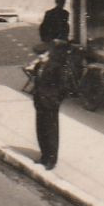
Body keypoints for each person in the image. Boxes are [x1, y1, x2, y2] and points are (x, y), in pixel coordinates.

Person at [30, 40, 68, 169]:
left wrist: (55, 101)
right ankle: (44, 156)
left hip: (50, 104)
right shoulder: (38, 66)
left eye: (42, 54)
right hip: (40, 103)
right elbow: (36, 82)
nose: (40, 57)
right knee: (41, 130)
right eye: (38, 55)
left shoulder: (56, 67)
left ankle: (51, 160)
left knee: (51, 132)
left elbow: (63, 87)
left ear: (48, 54)